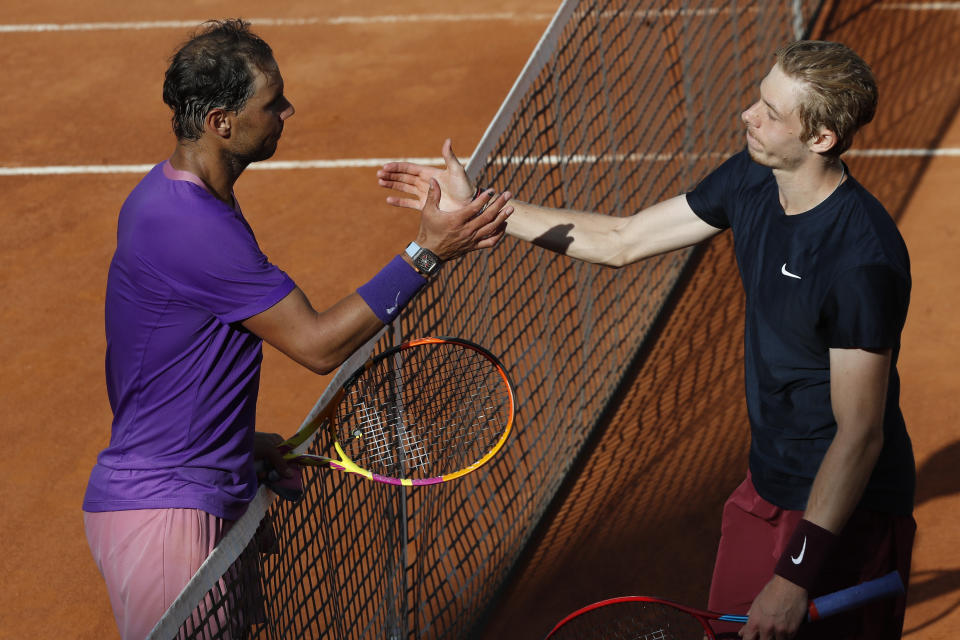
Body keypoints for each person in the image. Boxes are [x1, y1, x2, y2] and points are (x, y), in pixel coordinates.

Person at [377, 40, 914, 640]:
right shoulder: (753, 179)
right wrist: (478, 209)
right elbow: (622, 241)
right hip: (767, 482)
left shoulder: (860, 262)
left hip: (843, 514)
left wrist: (794, 577)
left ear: (819, 140)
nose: (748, 116)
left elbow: (861, 432)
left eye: (770, 112)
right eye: (757, 99)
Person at [81, 19, 512, 640]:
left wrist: (234, 442)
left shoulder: (177, 198)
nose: (288, 109)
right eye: (271, 101)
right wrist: (426, 254)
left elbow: (166, 357)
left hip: (196, 483)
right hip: (168, 514)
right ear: (221, 123)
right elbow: (316, 344)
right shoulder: (192, 227)